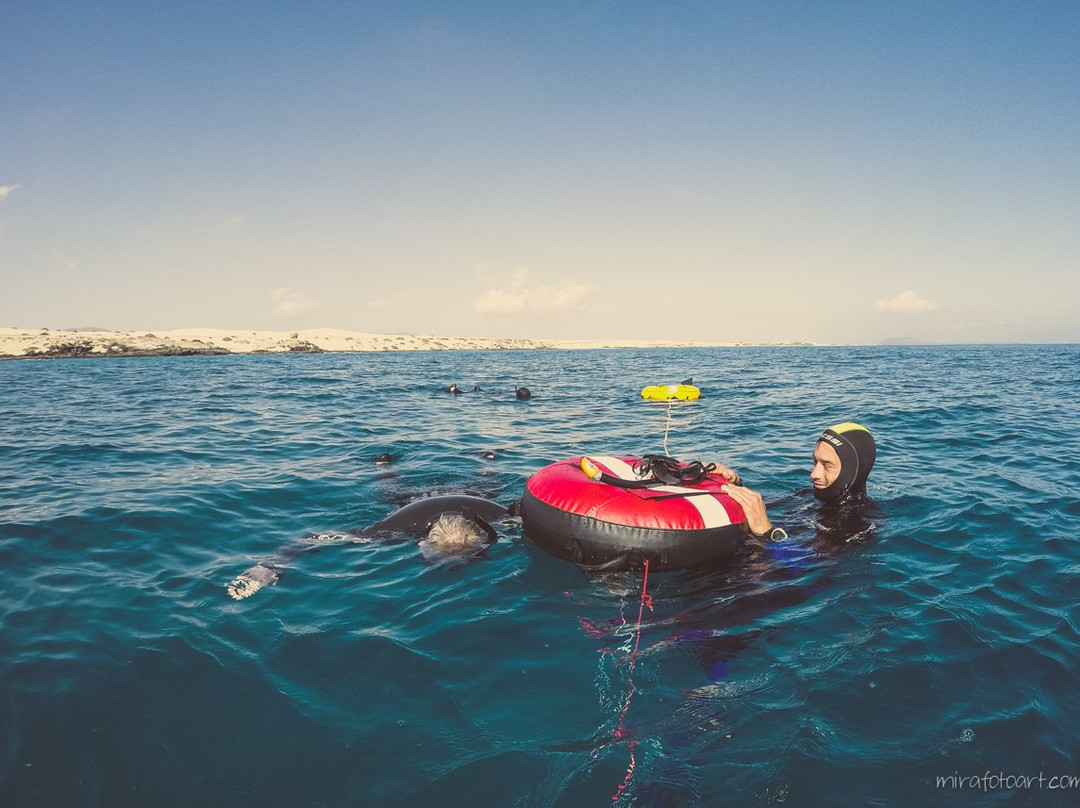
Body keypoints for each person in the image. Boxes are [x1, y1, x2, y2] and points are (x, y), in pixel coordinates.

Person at [226, 494, 509, 600]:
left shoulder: (501, 520)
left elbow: (314, 537)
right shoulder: (392, 531)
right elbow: (313, 537)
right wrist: (269, 566)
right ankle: (383, 468)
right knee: (393, 495)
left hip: (476, 502)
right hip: (412, 505)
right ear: (422, 543)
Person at [712, 422, 877, 539]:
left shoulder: (857, 527)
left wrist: (767, 533)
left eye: (827, 465)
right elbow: (760, 506)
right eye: (815, 462)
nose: (814, 474)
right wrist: (734, 484)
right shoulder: (808, 496)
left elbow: (803, 574)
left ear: (852, 471)